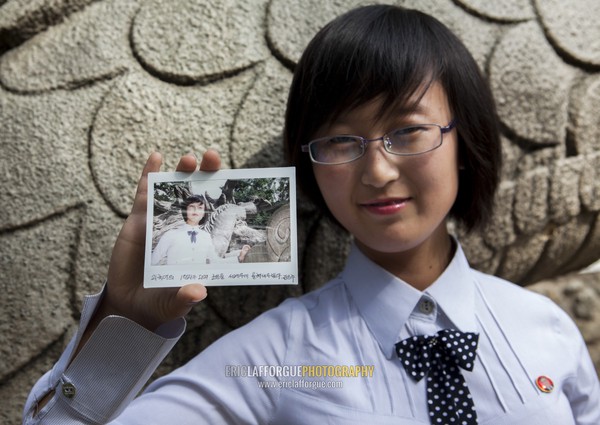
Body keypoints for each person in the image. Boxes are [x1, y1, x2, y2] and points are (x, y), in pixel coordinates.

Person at [23, 5, 599, 425]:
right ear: (311, 165)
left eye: (407, 131)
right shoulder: (275, 354)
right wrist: (123, 324)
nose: (376, 172)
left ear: (463, 138)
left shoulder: (545, 329)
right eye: (341, 142)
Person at [151, 194, 250, 265]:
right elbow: (153, 262)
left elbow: (214, 262)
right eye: (191, 207)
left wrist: (239, 258)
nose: (195, 210)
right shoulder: (170, 234)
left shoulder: (206, 237)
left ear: (203, 213)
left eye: (200, 208)